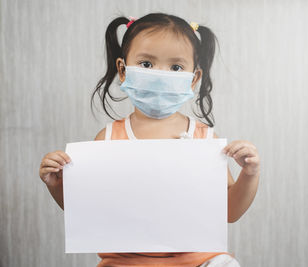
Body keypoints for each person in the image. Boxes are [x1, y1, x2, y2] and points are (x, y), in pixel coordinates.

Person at [38, 12, 260, 267]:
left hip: (198, 260)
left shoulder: (204, 139)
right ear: (123, 70)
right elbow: (91, 210)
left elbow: (229, 212)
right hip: (124, 262)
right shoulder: (108, 139)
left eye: (176, 67)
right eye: (146, 64)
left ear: (193, 78)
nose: (159, 75)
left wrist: (249, 173)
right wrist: (56, 185)